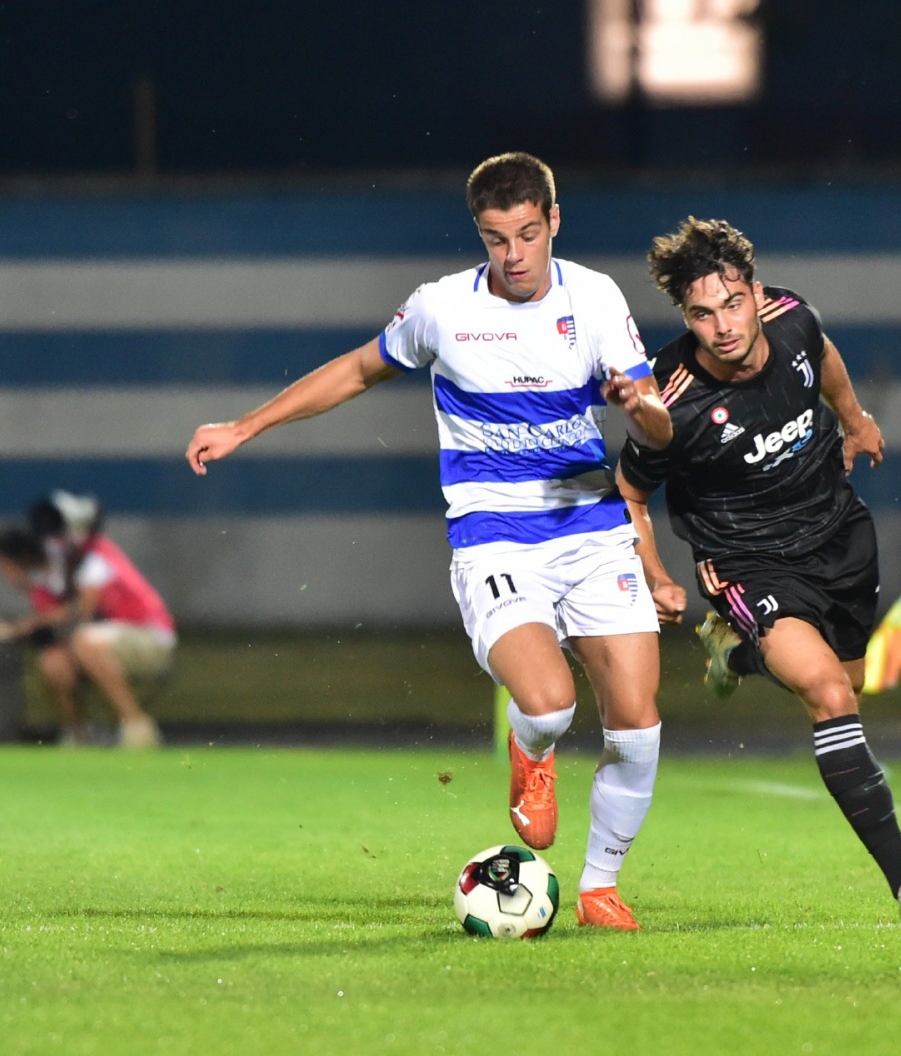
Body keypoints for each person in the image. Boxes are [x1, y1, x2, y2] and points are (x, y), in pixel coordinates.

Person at [184, 153, 673, 931]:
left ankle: (598, 887)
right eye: (495, 238)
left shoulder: (596, 297)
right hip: (494, 538)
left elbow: (656, 421)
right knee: (549, 703)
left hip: (591, 528)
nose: (513, 255)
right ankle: (532, 752)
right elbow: (354, 370)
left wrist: (636, 405)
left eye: (527, 234)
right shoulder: (442, 309)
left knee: (638, 724)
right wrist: (244, 425)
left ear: (553, 223)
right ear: (478, 235)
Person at [615, 216, 901, 922]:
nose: (723, 326)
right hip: (749, 562)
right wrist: (655, 575)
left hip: (840, 536)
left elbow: (822, 356)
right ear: (686, 318)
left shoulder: (793, 318)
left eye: (733, 304)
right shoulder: (671, 401)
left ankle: (736, 655)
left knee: (852, 685)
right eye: (702, 314)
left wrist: (854, 419)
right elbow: (630, 490)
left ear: (756, 294)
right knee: (829, 694)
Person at [0, 520, 175, 749]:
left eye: (4, 569)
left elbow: (83, 610)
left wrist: (16, 629)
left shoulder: (88, 558)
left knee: (85, 641)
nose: (6, 578)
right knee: (53, 662)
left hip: (149, 637)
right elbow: (55, 626)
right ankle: (78, 735)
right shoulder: (44, 583)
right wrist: (20, 630)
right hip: (100, 642)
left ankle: (137, 726)